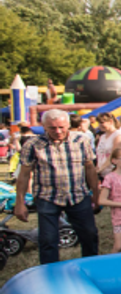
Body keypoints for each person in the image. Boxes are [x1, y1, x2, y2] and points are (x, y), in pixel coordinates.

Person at [12, 109, 101, 263]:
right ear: (44, 127)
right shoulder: (33, 144)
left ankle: (90, 265)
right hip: (47, 197)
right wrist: (20, 202)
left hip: (78, 195)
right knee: (48, 239)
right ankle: (50, 272)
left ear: (68, 125)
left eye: (61, 127)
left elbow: (90, 168)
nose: (58, 131)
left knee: (89, 234)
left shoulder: (81, 141)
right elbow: (24, 174)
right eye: (52, 128)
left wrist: (96, 193)